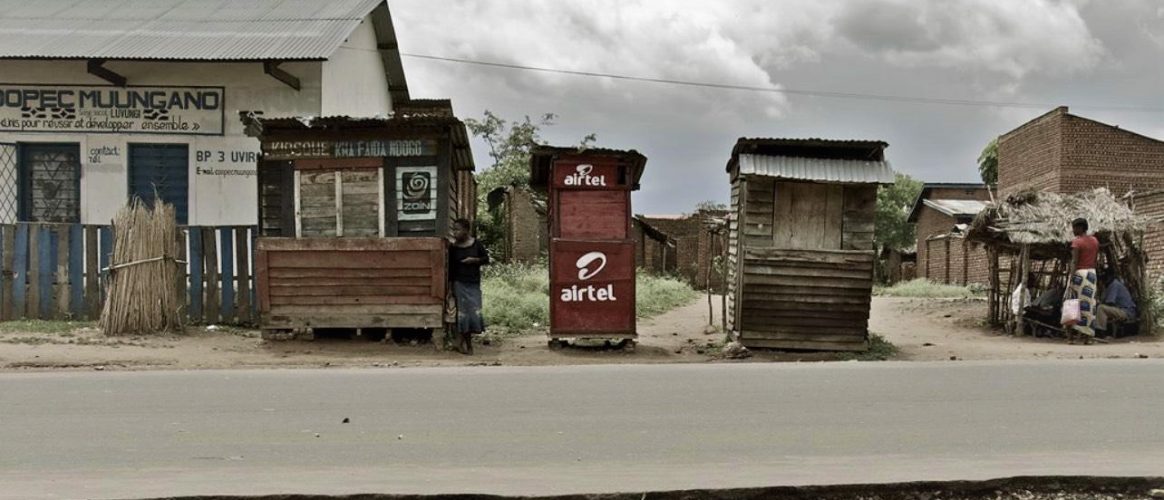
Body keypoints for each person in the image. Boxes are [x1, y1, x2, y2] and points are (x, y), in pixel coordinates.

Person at [448, 218, 489, 354]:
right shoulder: (453, 248)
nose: (455, 232)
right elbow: (451, 270)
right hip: (459, 284)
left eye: (457, 229)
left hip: (474, 284)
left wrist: (474, 260)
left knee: (474, 314)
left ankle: (460, 343)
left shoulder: (476, 244)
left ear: (466, 230)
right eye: (454, 230)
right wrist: (450, 288)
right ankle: (468, 345)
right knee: (463, 315)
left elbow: (486, 259)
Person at [1062, 218, 1099, 344]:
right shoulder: (1095, 241)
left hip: (1080, 275)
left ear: (1080, 228)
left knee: (1071, 304)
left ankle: (1070, 337)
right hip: (1091, 275)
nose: (1073, 230)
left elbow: (1074, 261)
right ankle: (1087, 337)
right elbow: (1095, 260)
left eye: (1074, 228)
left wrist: (1071, 279)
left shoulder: (1077, 242)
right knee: (1088, 305)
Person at [1096, 268, 1136, 336]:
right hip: (1121, 310)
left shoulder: (1114, 285)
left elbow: (1110, 303)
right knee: (1099, 307)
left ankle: (1100, 331)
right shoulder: (1108, 286)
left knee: (1101, 308)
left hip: (1126, 312)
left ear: (1109, 277)